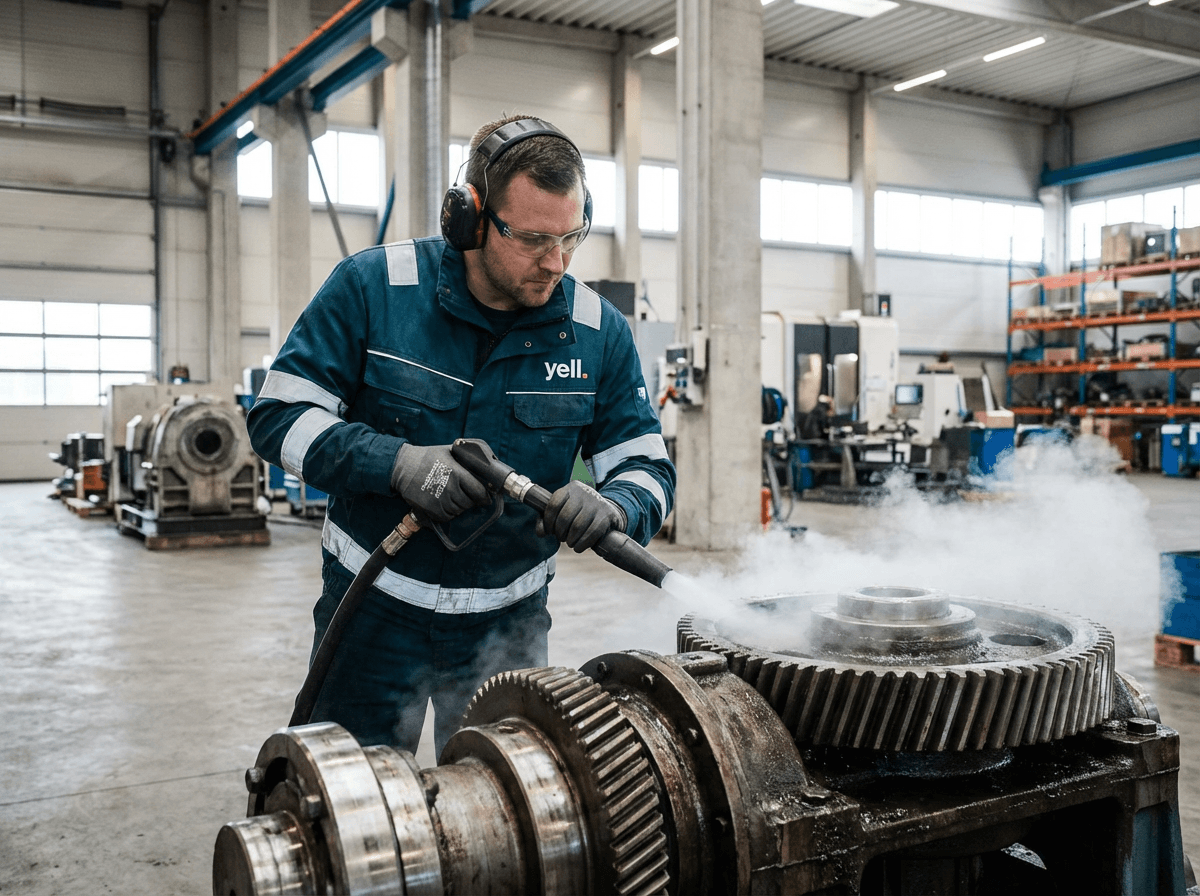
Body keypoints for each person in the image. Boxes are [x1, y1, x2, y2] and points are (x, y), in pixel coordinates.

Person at [246, 114, 675, 755]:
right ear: (469, 218)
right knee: (347, 813)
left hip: (509, 632)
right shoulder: (373, 290)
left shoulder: (597, 331)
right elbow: (278, 416)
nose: (555, 262)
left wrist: (617, 503)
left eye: (572, 237)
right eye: (532, 239)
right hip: (371, 616)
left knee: (515, 824)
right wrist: (394, 463)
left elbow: (647, 464)